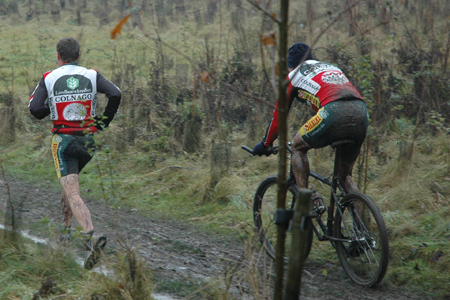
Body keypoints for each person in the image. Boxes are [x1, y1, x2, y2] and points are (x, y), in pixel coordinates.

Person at [28, 37, 121, 269]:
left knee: (73, 193)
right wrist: (102, 122)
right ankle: (65, 232)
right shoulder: (92, 75)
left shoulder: (48, 78)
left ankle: (92, 237)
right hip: (88, 143)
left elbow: (35, 110)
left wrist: (53, 104)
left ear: (58, 56)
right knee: (69, 183)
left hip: (64, 142)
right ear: (79, 55)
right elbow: (116, 94)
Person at [253, 42, 368, 212]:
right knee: (344, 177)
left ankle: (307, 200)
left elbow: (278, 117)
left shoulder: (293, 75)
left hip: (333, 111)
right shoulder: (329, 67)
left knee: (297, 146)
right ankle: (361, 232)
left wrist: (266, 144)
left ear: (289, 65)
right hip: (361, 111)